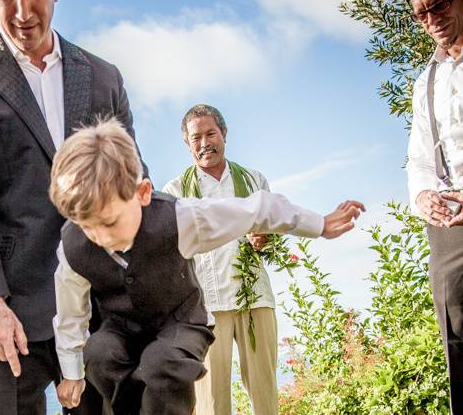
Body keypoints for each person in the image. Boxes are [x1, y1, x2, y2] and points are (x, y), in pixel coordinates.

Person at [0, 0, 145, 413]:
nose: (23, 13)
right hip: (12, 306)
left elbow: (132, 177)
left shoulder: (104, 77)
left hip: (102, 301)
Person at [50, 119, 365, 415]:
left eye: (109, 222)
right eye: (87, 227)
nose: (100, 238)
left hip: (180, 322)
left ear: (142, 193)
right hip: (121, 328)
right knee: (99, 354)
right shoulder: (73, 246)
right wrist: (72, 374)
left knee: (162, 362)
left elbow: (258, 209)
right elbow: (70, 316)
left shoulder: (182, 218)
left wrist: (319, 223)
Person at [163, 104, 279, 415]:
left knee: (265, 393)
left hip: (255, 298)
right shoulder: (174, 191)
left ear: (224, 133)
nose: (204, 143)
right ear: (187, 143)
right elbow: (169, 253)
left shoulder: (255, 181)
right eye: (196, 137)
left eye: (210, 133)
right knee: (211, 403)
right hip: (205, 307)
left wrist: (265, 239)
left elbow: (274, 234)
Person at [407, 0, 463, 412]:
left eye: (440, 5)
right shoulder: (426, 81)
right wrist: (424, 194)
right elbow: (421, 157)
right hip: (449, 228)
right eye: (422, 13)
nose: (433, 20)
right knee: (458, 339)